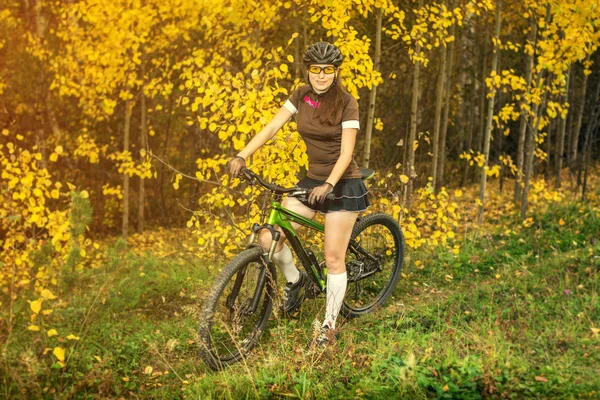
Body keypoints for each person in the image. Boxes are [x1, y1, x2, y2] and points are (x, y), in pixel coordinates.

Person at [228, 41, 369, 347]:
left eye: (327, 70)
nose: (321, 76)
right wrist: (242, 155)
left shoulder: (347, 102)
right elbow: (271, 128)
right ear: (308, 71)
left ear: (336, 72)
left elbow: (346, 153)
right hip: (312, 179)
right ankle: (296, 280)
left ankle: (328, 329)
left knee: (333, 257)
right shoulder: (301, 95)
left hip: (343, 184)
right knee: (269, 236)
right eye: (315, 70)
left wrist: (329, 185)